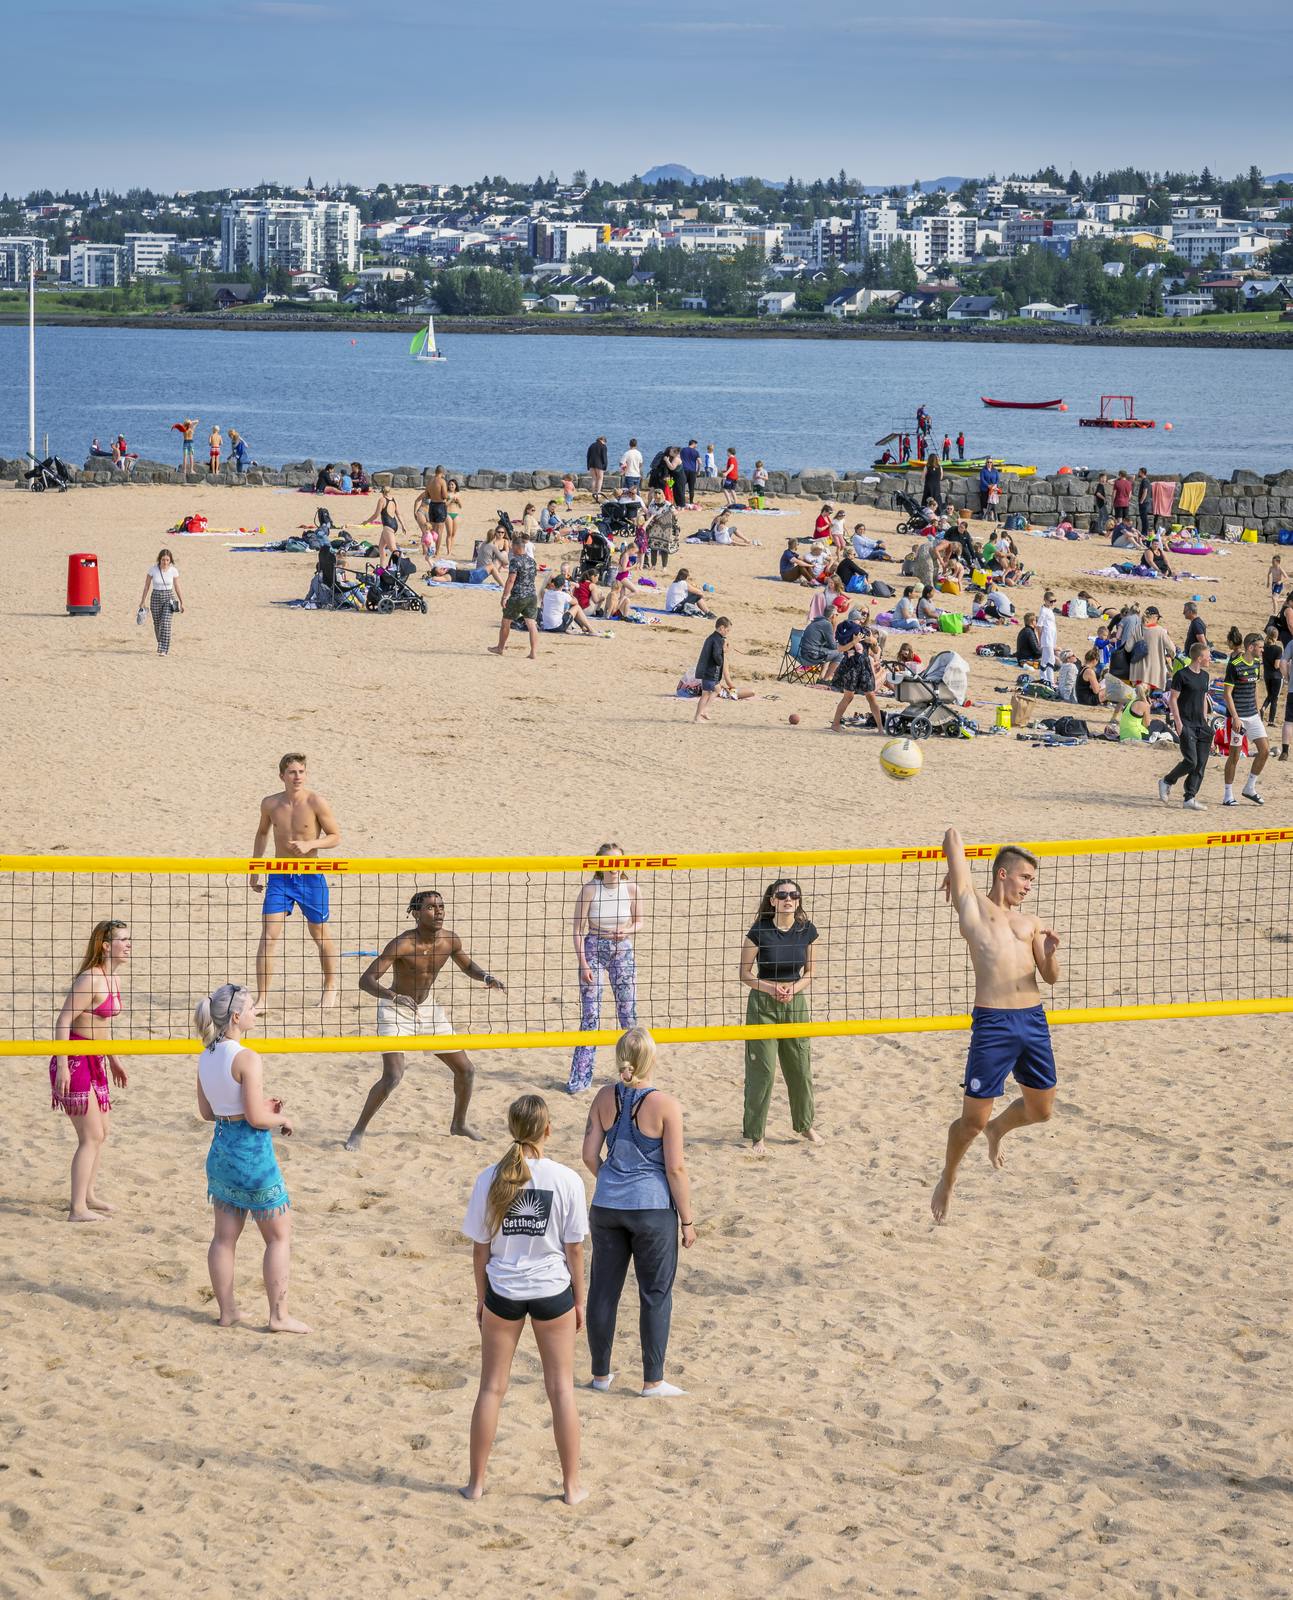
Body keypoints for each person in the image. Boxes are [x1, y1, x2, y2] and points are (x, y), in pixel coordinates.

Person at [461, 1095, 589, 1505]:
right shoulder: (567, 1179)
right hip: (553, 1291)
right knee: (562, 1390)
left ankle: (476, 1485)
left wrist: (482, 1298)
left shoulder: (489, 1178)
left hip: (504, 1290)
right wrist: (580, 1301)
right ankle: (571, 1488)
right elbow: (575, 1251)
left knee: (491, 1389)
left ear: (511, 1129)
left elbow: (480, 1250)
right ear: (547, 1130)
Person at [930, 829, 1061, 1224]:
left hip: (1033, 1020)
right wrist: (959, 875)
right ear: (1002, 874)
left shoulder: (1031, 923)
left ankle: (999, 1131)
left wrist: (1051, 955)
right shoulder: (972, 908)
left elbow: (1051, 977)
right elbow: (952, 836)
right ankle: (948, 1177)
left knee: (1041, 1112)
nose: (1029, 887)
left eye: (1032, 881)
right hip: (993, 1024)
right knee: (972, 1122)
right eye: (1024, 878)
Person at [582, 1028, 694, 1398]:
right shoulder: (665, 1105)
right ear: (652, 1059)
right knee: (655, 1294)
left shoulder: (602, 1096)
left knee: (603, 1291)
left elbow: (588, 1155)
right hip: (652, 1211)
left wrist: (612, 1181)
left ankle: (600, 1377)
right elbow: (675, 1169)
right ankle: (653, 1382)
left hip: (607, 1206)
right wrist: (688, 1221)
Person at [345, 890, 504, 1149]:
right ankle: (358, 1130)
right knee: (393, 1076)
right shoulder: (402, 944)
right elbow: (366, 980)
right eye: (431, 907)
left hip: (428, 1009)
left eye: (441, 906)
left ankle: (459, 1124)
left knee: (466, 1070)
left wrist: (486, 977)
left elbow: (466, 965)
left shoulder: (450, 940)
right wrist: (393, 996)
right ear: (416, 914)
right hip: (395, 1009)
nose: (438, 911)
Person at [195, 983, 308, 1333]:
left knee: (223, 1239)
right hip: (251, 1154)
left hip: (222, 1150)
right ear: (236, 1016)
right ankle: (278, 1316)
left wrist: (256, 1107)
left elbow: (207, 1112)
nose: (257, 1012)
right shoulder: (246, 1057)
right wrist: (282, 1118)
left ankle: (227, 1312)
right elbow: (258, 1120)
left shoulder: (207, 1054)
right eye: (252, 1008)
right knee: (278, 1237)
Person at [49, 920, 130, 1222]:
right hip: (74, 1057)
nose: (128, 944)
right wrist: (62, 1068)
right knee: (91, 1135)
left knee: (103, 1132)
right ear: (106, 946)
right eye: (123, 939)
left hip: (95, 1057)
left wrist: (114, 1059)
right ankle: (76, 1209)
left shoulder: (114, 980)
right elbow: (63, 1021)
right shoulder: (90, 979)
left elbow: (102, 1028)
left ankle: (89, 1195)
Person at [250, 753, 342, 1010]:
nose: (297, 776)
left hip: (310, 876)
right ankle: (263, 999)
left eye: (301, 771)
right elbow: (262, 833)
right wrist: (255, 868)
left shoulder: (315, 801)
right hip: (279, 875)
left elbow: (335, 836)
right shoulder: (270, 803)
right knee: (268, 936)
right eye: (292, 772)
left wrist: (310, 843)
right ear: (282, 776)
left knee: (319, 933)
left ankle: (330, 986)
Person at [739, 878, 821, 1153]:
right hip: (763, 1004)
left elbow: (810, 972)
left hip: (795, 1002)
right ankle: (756, 1134)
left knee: (800, 1067)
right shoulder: (759, 931)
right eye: (782, 894)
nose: (788, 899)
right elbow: (745, 974)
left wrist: (793, 988)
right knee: (763, 1071)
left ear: (798, 900)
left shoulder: (806, 931)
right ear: (772, 900)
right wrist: (771, 988)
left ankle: (805, 1124)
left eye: (793, 895)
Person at [567, 849, 643, 1093]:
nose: (615, 865)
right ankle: (580, 1078)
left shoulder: (632, 889)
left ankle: (633, 1074)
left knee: (628, 1014)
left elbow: (640, 921)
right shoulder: (590, 889)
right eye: (610, 861)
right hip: (593, 949)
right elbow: (577, 930)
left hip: (622, 949)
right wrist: (584, 964)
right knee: (591, 1015)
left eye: (619, 860)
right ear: (601, 864)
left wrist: (629, 931)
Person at [1158, 643, 1214, 811]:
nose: (1210, 658)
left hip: (1201, 724)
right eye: (1208, 656)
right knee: (1191, 761)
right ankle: (1167, 781)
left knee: (1201, 764)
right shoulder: (1181, 675)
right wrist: (1178, 722)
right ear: (1199, 658)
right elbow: (1172, 699)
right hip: (1186, 723)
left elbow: (1204, 698)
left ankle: (1190, 798)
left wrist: (1205, 719)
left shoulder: (1205, 676)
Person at [1223, 632, 1270, 805]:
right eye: (1260, 647)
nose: (1262, 650)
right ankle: (1228, 794)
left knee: (1264, 751)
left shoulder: (1257, 663)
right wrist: (1235, 717)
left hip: (1253, 715)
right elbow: (1226, 694)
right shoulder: (1234, 665)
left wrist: (1258, 710)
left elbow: (1254, 687)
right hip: (1239, 717)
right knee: (1234, 755)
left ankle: (1249, 788)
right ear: (1250, 647)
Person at [490, 533, 540, 660]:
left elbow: (511, 580)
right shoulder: (532, 561)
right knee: (531, 624)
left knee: (506, 621)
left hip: (518, 596)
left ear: (518, 547)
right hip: (531, 595)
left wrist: (505, 596)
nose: (511, 548)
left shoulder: (515, 561)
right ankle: (533, 652)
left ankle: (500, 648)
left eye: (512, 547)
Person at [830, 612, 884, 731]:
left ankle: (880, 727)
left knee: (871, 696)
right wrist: (854, 642)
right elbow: (840, 649)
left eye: (859, 620)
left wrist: (873, 642)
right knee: (848, 696)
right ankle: (835, 724)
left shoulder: (866, 631)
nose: (858, 623)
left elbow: (875, 650)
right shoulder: (845, 633)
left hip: (864, 666)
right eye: (856, 620)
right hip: (851, 665)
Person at [136, 547, 184, 656]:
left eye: (167, 560)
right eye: (163, 560)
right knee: (157, 624)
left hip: (169, 598)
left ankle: (163, 650)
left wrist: (182, 602)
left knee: (166, 623)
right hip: (156, 597)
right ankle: (160, 641)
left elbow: (177, 586)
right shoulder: (152, 570)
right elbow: (147, 586)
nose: (165, 562)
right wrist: (142, 601)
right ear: (159, 559)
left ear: (170, 560)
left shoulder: (173, 571)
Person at [693, 617, 732, 723]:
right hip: (709, 671)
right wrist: (724, 652)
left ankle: (701, 714)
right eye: (727, 630)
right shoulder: (718, 640)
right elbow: (717, 657)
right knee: (711, 692)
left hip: (706, 670)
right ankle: (700, 714)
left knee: (712, 691)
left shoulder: (712, 638)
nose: (727, 633)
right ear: (722, 628)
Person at [798, 610, 844, 681]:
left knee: (828, 652)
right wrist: (834, 626)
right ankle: (826, 679)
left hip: (801, 653)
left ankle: (821, 677)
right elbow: (833, 646)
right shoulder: (827, 624)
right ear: (833, 616)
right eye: (837, 615)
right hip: (811, 656)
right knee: (840, 654)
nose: (837, 617)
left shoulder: (815, 621)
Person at [1139, 606, 1175, 691]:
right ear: (1154, 617)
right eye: (1158, 618)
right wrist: (1170, 656)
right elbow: (1172, 649)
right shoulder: (1161, 631)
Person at [1261, 625, 1283, 723]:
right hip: (1276, 676)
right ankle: (1271, 721)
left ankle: (1263, 708)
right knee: (1275, 698)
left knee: (1270, 695)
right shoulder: (1278, 649)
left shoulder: (1264, 647)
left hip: (1267, 675)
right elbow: (1276, 665)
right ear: (1276, 637)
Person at [1038, 594, 1058, 685]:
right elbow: (1039, 626)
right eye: (1050, 601)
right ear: (1045, 600)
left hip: (1051, 637)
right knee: (1051, 658)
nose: (1052, 603)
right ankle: (1050, 680)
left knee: (1045, 658)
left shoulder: (1049, 610)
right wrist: (1039, 639)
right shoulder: (1044, 611)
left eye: (1054, 601)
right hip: (1046, 637)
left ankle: (1044, 677)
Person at [586, 435, 608, 499]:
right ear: (603, 441)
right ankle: (598, 493)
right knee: (600, 478)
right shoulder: (603, 446)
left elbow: (588, 456)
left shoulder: (591, 445)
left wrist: (588, 465)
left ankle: (593, 493)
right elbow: (604, 457)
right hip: (599, 465)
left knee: (594, 478)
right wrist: (605, 466)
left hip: (591, 464)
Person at [1135, 467, 1152, 539]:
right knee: (1144, 518)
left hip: (1144, 502)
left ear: (1142, 472)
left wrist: (1141, 500)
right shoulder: (1146, 480)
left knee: (1144, 518)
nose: (1138, 473)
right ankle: (1144, 532)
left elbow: (1145, 491)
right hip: (1146, 502)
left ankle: (1144, 533)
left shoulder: (1145, 481)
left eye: (1139, 472)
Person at [1092, 471, 1110, 535]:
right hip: (1101, 504)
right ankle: (1105, 530)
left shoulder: (1100, 485)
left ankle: (1100, 530)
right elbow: (1098, 494)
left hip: (1099, 503)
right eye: (1105, 478)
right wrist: (1104, 498)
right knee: (1106, 517)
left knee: (1100, 517)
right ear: (1101, 478)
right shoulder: (1100, 486)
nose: (1106, 479)